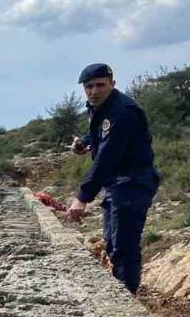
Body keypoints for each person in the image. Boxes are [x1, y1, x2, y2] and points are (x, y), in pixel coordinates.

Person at [65, 63, 160, 293]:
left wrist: (82, 197)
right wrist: (85, 142)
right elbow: (100, 134)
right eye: (89, 86)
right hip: (117, 184)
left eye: (100, 85)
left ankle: (127, 301)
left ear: (112, 84)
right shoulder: (101, 107)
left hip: (132, 182)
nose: (94, 91)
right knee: (112, 243)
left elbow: (107, 157)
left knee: (123, 246)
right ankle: (123, 292)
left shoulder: (123, 111)